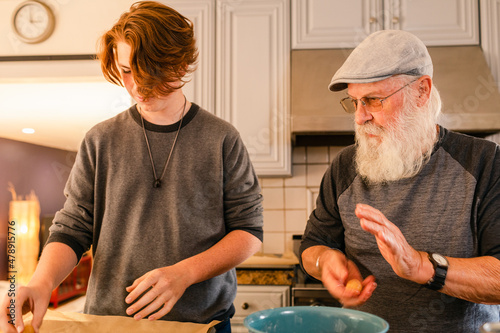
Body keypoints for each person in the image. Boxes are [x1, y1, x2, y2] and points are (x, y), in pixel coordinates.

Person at [1, 2, 263, 333]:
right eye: (126, 71)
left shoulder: (222, 139)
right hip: (108, 323)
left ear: (180, 63)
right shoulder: (99, 140)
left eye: (148, 71)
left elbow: (249, 232)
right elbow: (72, 228)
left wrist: (184, 273)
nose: (136, 86)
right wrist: (40, 283)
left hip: (200, 325)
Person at [300, 29, 500, 332]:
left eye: (373, 100)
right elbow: (314, 244)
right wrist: (326, 261)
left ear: (422, 91)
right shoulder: (344, 166)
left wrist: (419, 266)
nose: (359, 117)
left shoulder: (484, 163)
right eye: (354, 102)